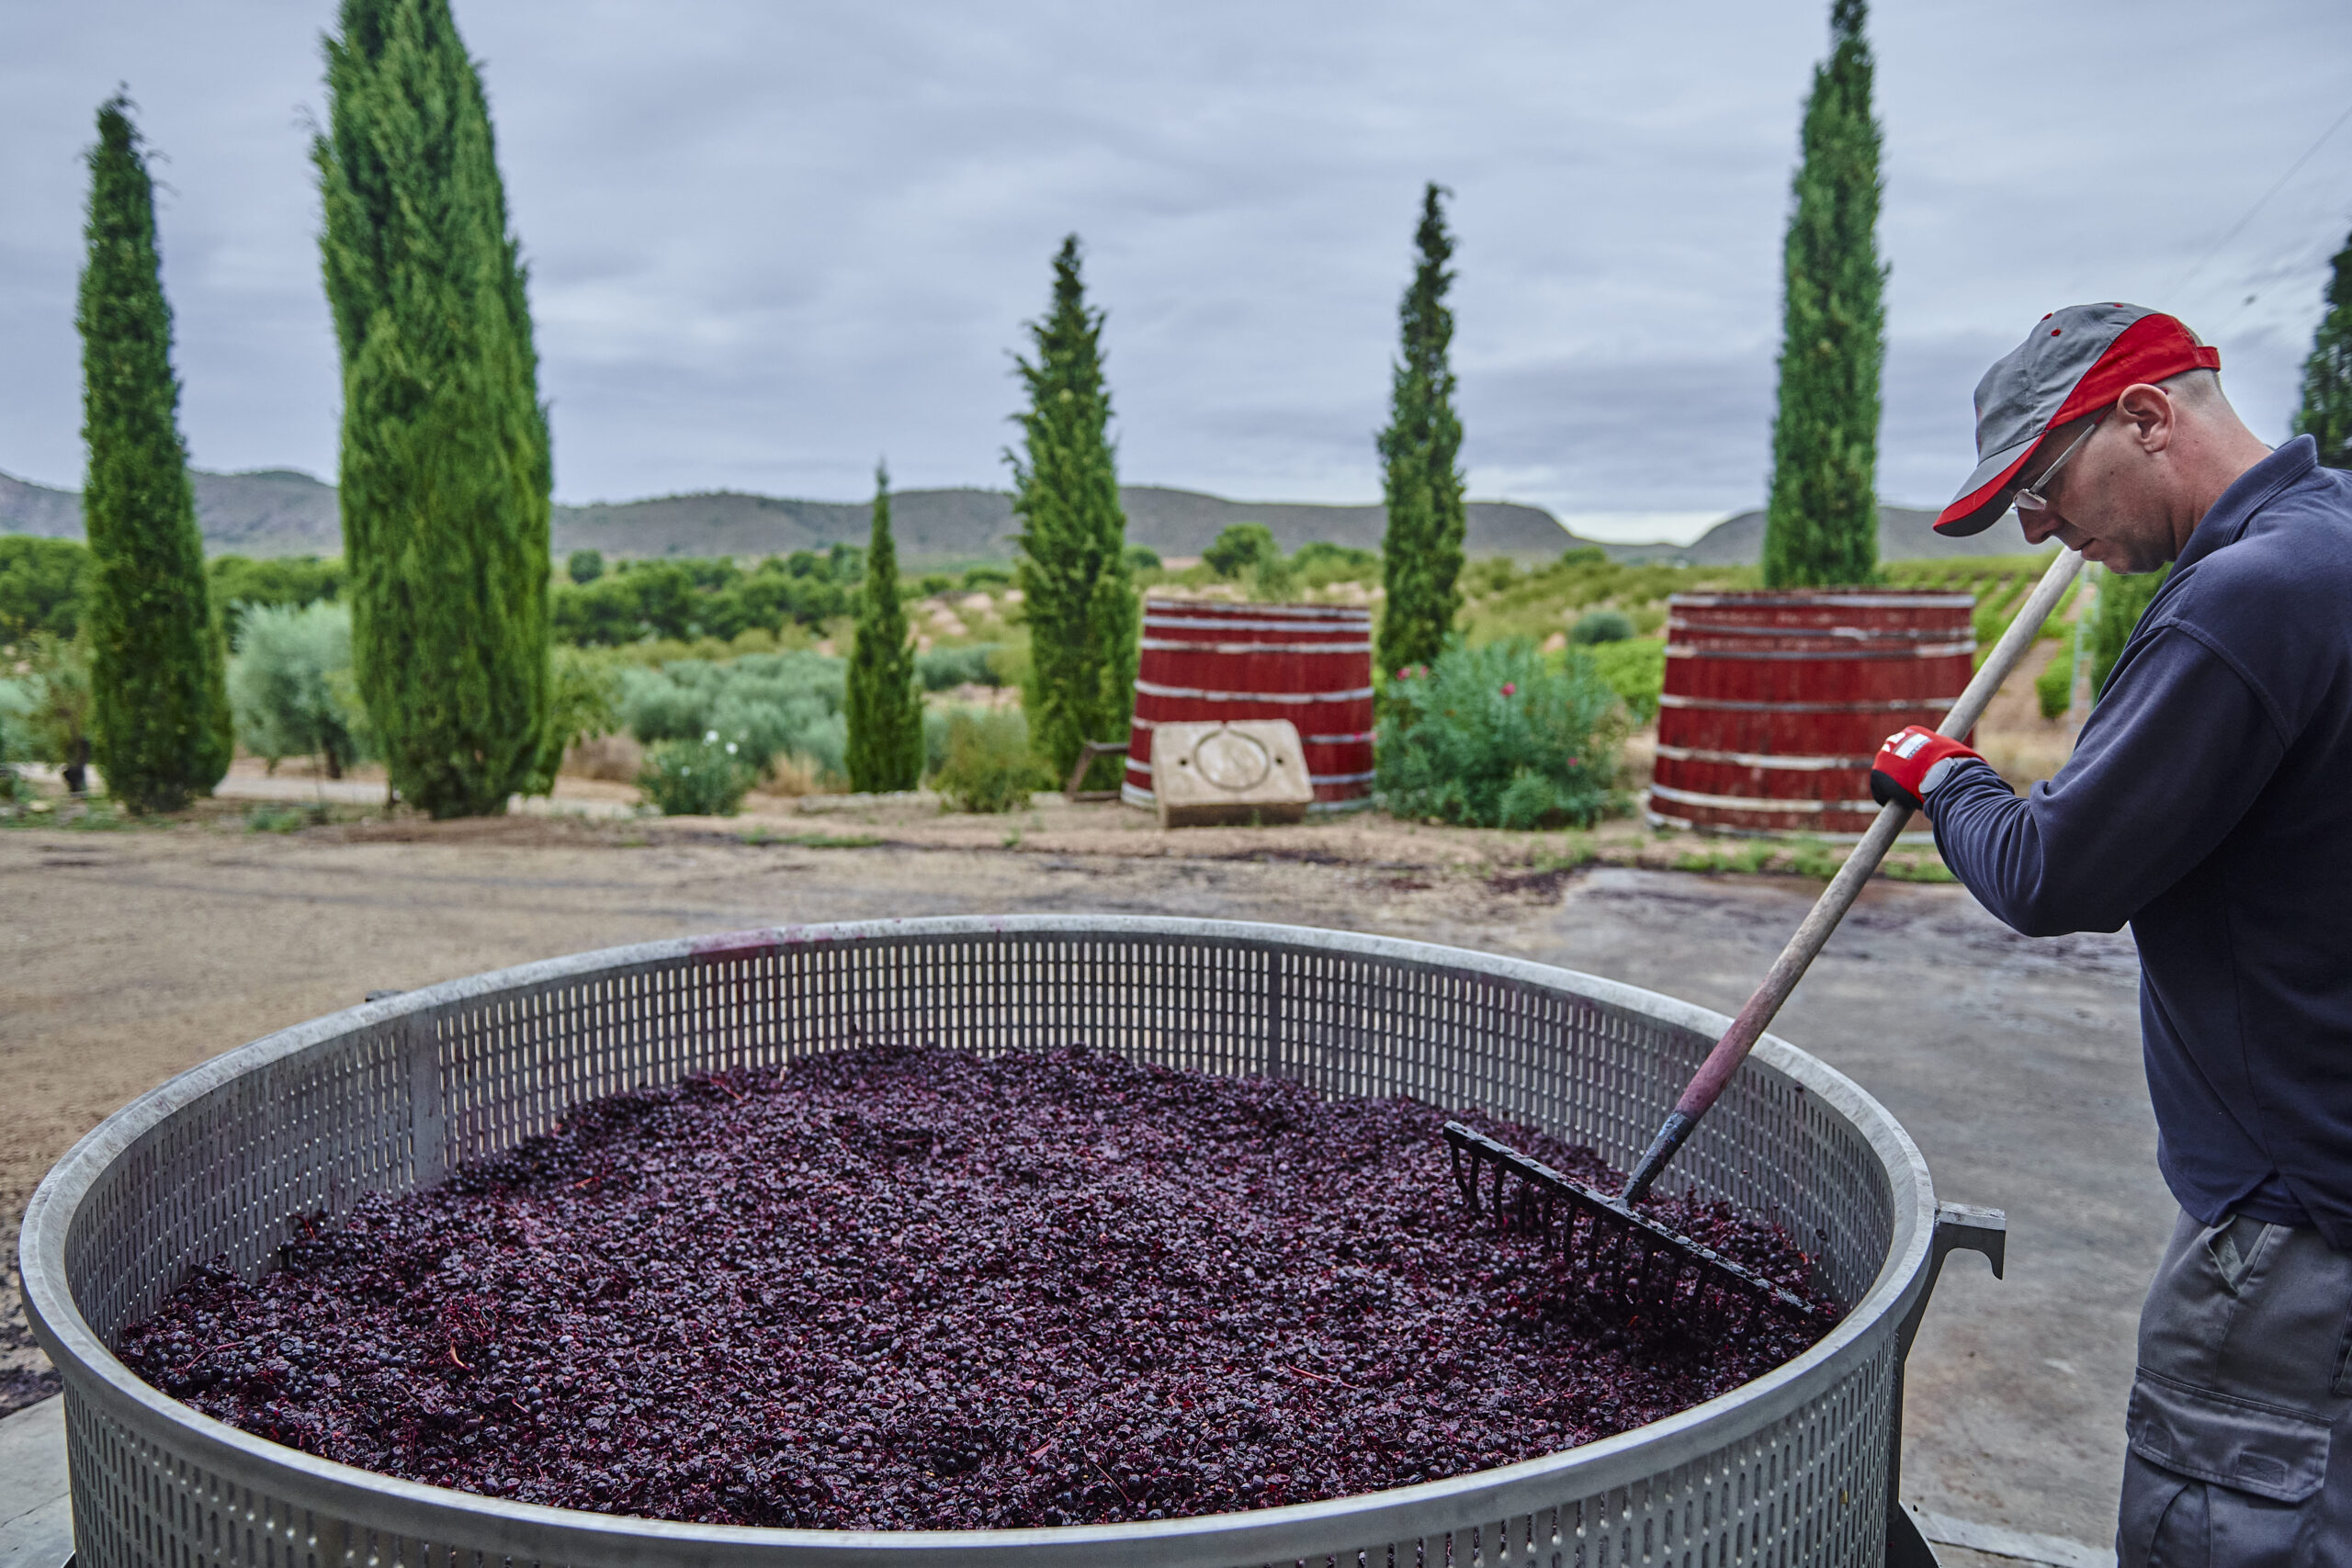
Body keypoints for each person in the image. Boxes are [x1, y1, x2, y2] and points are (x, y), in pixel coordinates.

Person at [1867, 302, 2352, 1566]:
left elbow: (2051, 873)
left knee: (2233, 1531)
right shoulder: (2334, 540)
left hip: (2293, 1225)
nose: (2036, 527)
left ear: (2146, 417)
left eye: (2041, 484)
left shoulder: (2244, 602)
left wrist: (1947, 781)